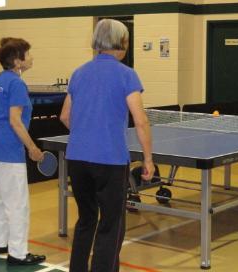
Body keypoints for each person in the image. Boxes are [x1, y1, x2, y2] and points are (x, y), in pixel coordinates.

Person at [60, 19, 154, 272]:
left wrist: (86, 133)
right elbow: (141, 121)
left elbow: (65, 116)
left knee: (86, 219)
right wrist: (148, 159)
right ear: (122, 43)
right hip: (110, 161)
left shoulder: (79, 73)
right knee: (111, 225)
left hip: (78, 159)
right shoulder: (127, 74)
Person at [0, 38, 46, 265]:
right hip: (8, 146)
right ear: (18, 61)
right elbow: (15, 121)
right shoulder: (17, 83)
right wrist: (33, 148)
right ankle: (18, 253)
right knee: (18, 203)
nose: (31, 58)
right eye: (28, 54)